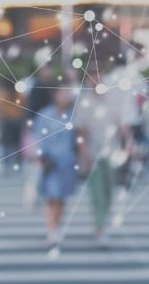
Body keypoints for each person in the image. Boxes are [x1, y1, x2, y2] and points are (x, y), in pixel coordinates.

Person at [74, 67, 136, 248]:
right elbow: (82, 133)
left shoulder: (114, 99)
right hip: (93, 154)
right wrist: (84, 155)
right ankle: (99, 227)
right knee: (97, 192)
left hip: (112, 153)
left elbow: (123, 125)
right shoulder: (85, 103)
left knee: (108, 190)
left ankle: (102, 223)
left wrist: (129, 144)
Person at [34, 88, 78, 251]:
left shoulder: (73, 115)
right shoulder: (45, 114)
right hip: (50, 162)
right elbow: (38, 137)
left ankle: (56, 226)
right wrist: (40, 156)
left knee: (62, 198)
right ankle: (52, 230)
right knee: (52, 197)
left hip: (67, 163)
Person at [0, 79, 25, 175]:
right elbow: (23, 106)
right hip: (17, 121)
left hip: (7, 121)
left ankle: (7, 166)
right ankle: (18, 165)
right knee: (17, 145)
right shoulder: (19, 94)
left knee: (7, 145)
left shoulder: (3, 93)